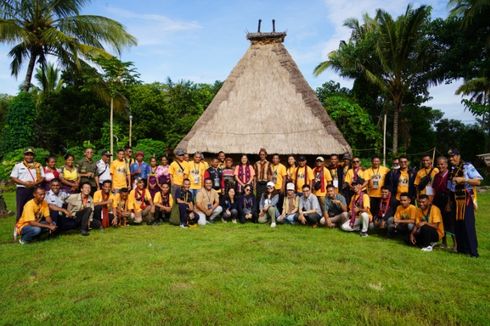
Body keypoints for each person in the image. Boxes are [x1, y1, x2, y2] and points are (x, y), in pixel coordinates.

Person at [447, 148, 483, 257]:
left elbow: (478, 181)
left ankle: (473, 251)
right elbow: (450, 187)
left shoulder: (468, 166)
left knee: (468, 225)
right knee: (458, 225)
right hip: (454, 199)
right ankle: (462, 249)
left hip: (466, 198)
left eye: (453, 156)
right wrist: (449, 202)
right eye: (449, 157)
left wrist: (464, 180)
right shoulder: (451, 169)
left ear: (458, 156)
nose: (451, 158)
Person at [11, 148, 44, 221]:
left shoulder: (38, 166)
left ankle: (32, 226)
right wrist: (24, 183)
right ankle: (18, 228)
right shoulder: (18, 165)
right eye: (27, 154)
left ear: (34, 156)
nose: (29, 156)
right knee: (21, 208)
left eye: (31, 155)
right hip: (22, 190)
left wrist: (35, 183)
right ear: (24, 156)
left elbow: (42, 177)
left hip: (34, 190)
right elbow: (13, 177)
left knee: (34, 208)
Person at [432, 156, 455, 250]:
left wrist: (449, 203)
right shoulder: (436, 176)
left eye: (442, 164)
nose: (440, 166)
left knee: (450, 222)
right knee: (440, 221)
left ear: (446, 164)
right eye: (438, 164)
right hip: (438, 200)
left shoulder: (451, 174)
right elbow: (433, 189)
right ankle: (444, 242)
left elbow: (452, 190)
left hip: (448, 200)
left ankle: (455, 244)